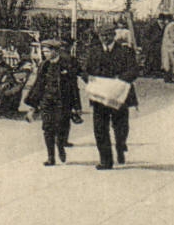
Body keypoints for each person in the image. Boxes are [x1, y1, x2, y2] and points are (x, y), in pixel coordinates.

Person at [84, 25, 139, 170]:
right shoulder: (94, 52)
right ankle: (106, 160)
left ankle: (120, 146)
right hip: (100, 96)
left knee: (121, 126)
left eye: (108, 35)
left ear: (114, 35)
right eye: (102, 35)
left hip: (119, 95)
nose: (105, 38)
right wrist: (91, 80)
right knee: (100, 128)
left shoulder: (125, 51)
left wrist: (119, 80)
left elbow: (134, 70)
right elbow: (86, 70)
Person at [24, 39, 81, 166]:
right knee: (47, 128)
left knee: (60, 128)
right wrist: (32, 106)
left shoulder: (66, 64)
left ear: (55, 51)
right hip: (47, 101)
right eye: (44, 52)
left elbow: (73, 86)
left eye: (48, 52)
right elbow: (38, 85)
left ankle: (60, 146)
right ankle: (51, 157)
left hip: (62, 102)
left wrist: (77, 106)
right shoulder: (44, 65)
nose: (45, 54)